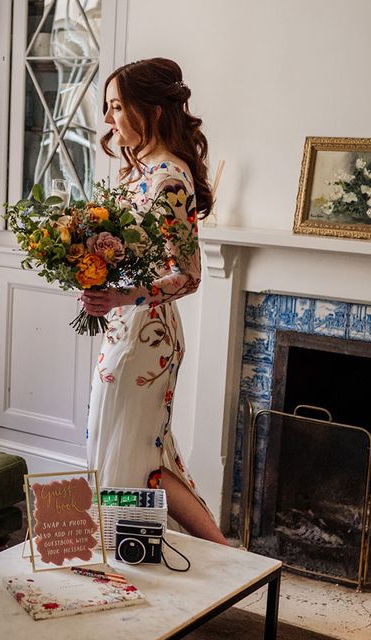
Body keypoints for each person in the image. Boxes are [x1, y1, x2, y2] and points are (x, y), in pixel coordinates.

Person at [81, 57, 227, 546]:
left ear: (152, 110)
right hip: (123, 327)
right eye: (108, 107)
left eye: (117, 106)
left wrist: (122, 293)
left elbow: (187, 276)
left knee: (140, 452)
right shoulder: (136, 172)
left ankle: (203, 554)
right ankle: (205, 552)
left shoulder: (169, 178)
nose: (108, 119)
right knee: (140, 449)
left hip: (149, 334)